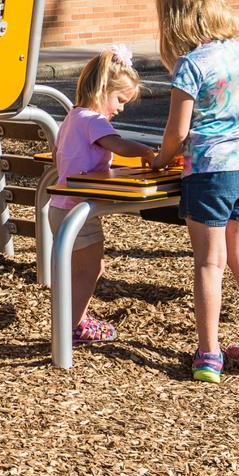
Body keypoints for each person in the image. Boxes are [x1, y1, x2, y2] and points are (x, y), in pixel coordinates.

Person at [147, 0, 239, 383]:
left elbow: (178, 133)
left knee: (209, 263)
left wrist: (160, 159)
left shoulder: (191, 64)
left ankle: (208, 355)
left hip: (209, 171)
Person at [49, 45, 159, 344]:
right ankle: (71, 327)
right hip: (78, 209)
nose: (121, 108)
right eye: (120, 99)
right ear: (101, 90)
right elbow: (119, 146)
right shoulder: (95, 121)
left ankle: (72, 320)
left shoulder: (72, 117)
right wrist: (148, 153)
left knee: (76, 271)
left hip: (59, 206)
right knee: (92, 270)